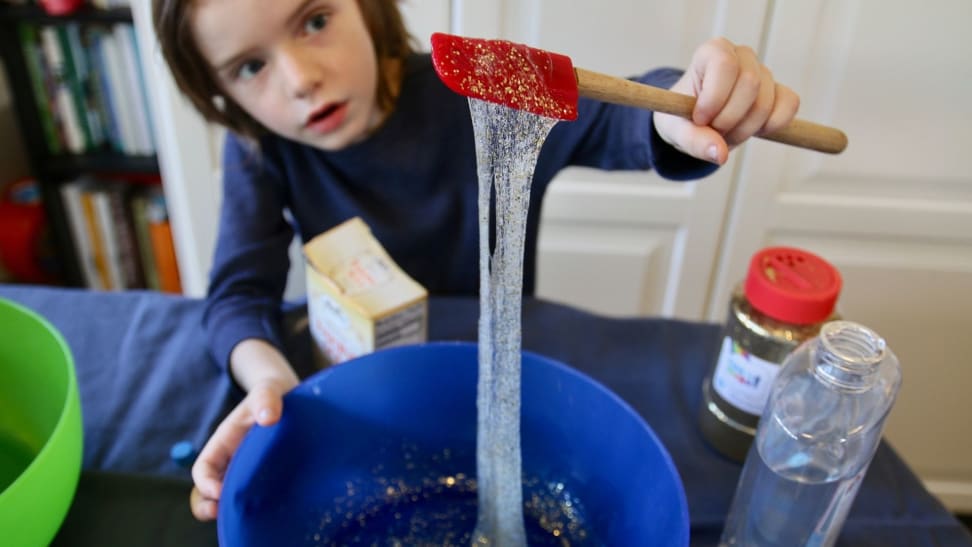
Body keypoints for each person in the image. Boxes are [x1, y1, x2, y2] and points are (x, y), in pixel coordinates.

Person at [152, 0, 800, 521]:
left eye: (315, 21)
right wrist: (267, 378)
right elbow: (238, 294)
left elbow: (620, 114)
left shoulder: (478, 86)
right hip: (372, 392)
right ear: (217, 92)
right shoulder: (261, 148)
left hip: (510, 376)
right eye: (248, 67)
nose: (298, 78)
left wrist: (689, 100)